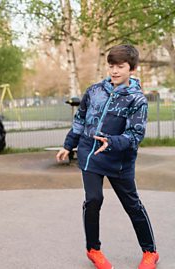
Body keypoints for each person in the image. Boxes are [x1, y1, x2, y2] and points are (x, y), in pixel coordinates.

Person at [56, 44, 159, 269]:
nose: (114, 71)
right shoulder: (94, 91)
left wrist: (112, 142)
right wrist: (68, 145)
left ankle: (150, 252)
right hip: (90, 155)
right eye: (111, 66)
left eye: (120, 66)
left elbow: (135, 135)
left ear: (132, 69)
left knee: (132, 205)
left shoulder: (137, 100)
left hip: (119, 161)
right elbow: (80, 119)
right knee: (94, 200)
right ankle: (93, 249)